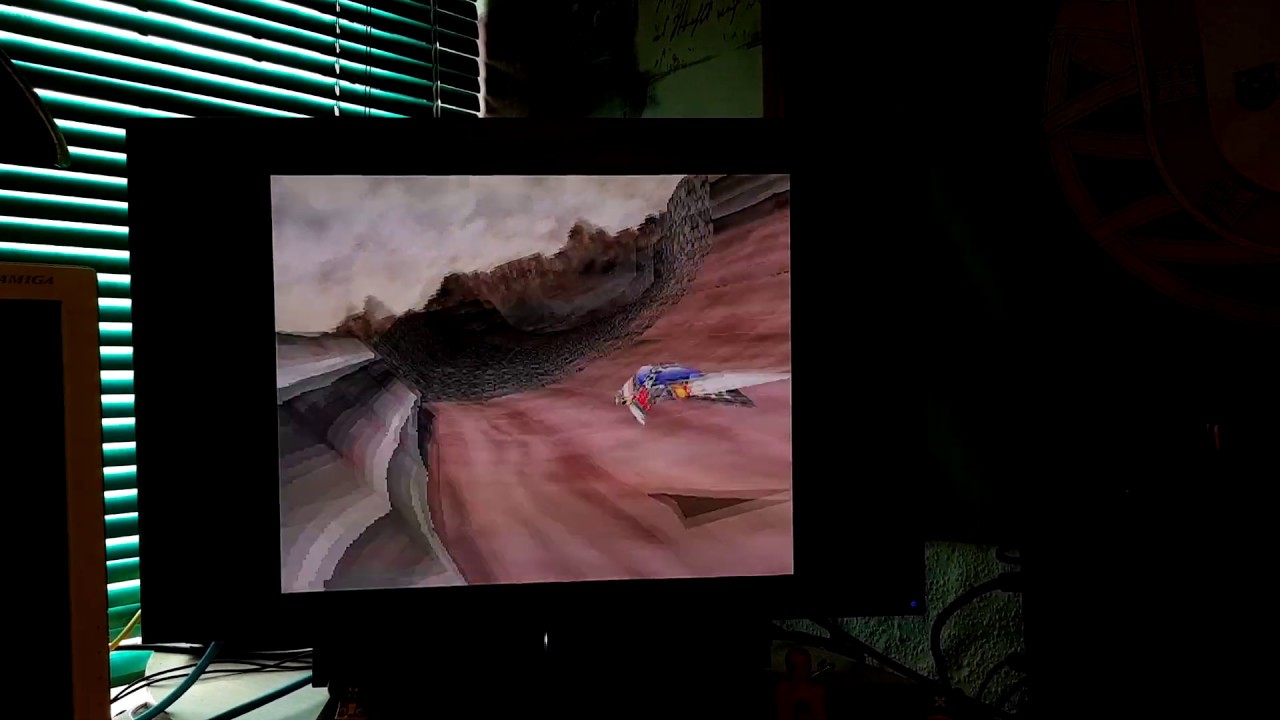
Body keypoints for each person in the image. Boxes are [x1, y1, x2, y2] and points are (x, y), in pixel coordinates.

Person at [775, 646, 827, 720]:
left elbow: (821, 716)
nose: (807, 668)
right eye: (801, 666)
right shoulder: (783, 689)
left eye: (806, 665)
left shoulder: (816, 691)